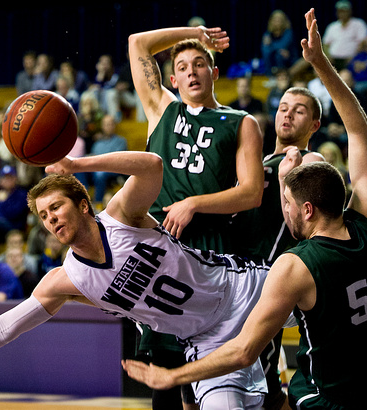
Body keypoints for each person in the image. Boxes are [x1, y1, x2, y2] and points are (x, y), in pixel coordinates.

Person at [121, 9, 367, 410]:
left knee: (250, 384)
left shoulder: (297, 258)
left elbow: (242, 349)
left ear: (307, 207)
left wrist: (172, 377)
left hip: (282, 320)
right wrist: (318, 63)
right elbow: (359, 133)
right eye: (282, 106)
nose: (286, 113)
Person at [0, 149, 271, 410]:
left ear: (83, 205)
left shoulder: (121, 215)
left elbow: (152, 164)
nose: (50, 218)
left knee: (326, 319)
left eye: (56, 207)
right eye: (43, 215)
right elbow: (5, 327)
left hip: (241, 287)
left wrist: (78, 165)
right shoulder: (65, 279)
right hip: (205, 341)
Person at [128, 23, 263, 409]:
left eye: (200, 63)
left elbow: (251, 193)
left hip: (212, 248)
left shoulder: (241, 122)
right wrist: (195, 33)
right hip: (162, 250)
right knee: (165, 374)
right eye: (183, 66)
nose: (191, 72)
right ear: (172, 79)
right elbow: (138, 42)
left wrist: (194, 203)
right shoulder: (162, 110)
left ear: (215, 73)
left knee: (208, 374)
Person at [230, 85, 325, 408]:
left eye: (299, 110)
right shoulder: (259, 161)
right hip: (239, 275)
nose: (287, 113)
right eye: (283, 107)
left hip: (269, 280)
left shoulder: (311, 161)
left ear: (314, 124)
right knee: (257, 379)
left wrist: (287, 177)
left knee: (260, 380)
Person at [75, 114, 127, 208]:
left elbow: (117, 159)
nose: (109, 126)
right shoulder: (98, 143)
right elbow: (92, 156)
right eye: (106, 124)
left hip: (112, 169)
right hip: (96, 168)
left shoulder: (121, 141)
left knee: (100, 174)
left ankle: (97, 203)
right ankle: (83, 196)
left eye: (111, 124)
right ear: (102, 126)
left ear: (114, 125)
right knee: (79, 169)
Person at [322, 0, 367, 71]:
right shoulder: (332, 26)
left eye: (344, 11)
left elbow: (363, 43)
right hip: (333, 59)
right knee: (308, 60)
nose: (342, 13)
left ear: (350, 11)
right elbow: (325, 44)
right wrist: (328, 57)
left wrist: (355, 57)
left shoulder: (359, 24)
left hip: (350, 59)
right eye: (340, 11)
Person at [261, 10, 298, 77]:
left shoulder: (288, 33)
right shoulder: (268, 34)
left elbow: (282, 45)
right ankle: (270, 76)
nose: (277, 22)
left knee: (280, 54)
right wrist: (270, 47)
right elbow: (264, 48)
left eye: (279, 20)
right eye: (275, 20)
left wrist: (270, 45)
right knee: (266, 50)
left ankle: (281, 76)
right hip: (273, 58)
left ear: (284, 21)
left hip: (290, 59)